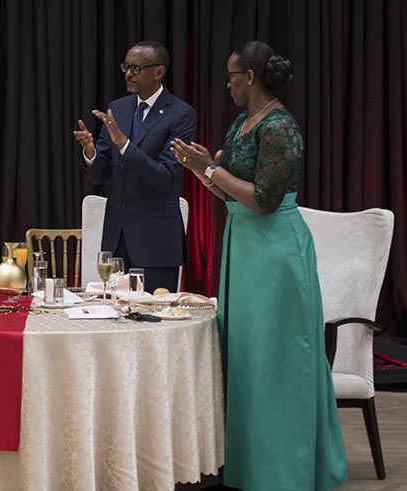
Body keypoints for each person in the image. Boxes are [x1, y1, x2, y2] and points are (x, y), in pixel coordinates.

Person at [171, 41, 349, 490]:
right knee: (246, 358)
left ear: (249, 77)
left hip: (275, 252)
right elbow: (229, 192)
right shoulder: (240, 124)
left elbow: (266, 200)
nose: (227, 84)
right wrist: (199, 169)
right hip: (244, 243)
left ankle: (283, 470)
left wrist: (211, 172)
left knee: (278, 359)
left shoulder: (281, 126)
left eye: (231, 76)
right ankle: (248, 466)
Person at [73, 41, 196, 293]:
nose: (128, 73)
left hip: (155, 243)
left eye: (136, 68)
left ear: (159, 72)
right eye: (126, 66)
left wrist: (125, 145)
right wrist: (90, 152)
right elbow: (100, 174)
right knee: (113, 319)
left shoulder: (181, 114)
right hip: (116, 240)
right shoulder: (118, 108)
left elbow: (165, 178)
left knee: (155, 321)